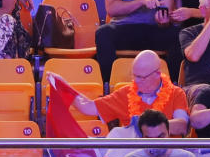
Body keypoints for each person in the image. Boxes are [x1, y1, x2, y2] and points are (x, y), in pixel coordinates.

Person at [50, 50, 190, 136]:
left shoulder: (176, 93)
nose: (137, 81)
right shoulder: (126, 93)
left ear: (157, 74)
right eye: (134, 76)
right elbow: (88, 107)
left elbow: (182, 125)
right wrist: (63, 86)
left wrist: (149, 127)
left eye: (141, 77)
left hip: (168, 156)